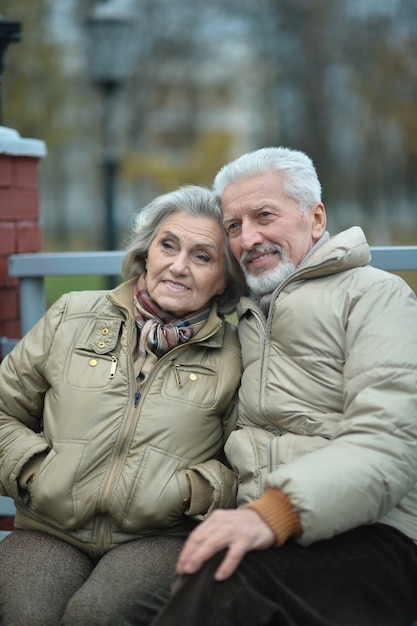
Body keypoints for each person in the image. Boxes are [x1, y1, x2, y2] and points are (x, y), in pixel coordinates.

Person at [152, 147, 417, 626]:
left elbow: (389, 444)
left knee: (223, 584)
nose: (248, 238)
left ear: (315, 218)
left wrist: (270, 513)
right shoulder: (245, 316)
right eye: (233, 226)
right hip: (263, 528)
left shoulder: (376, 295)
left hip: (375, 533)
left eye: (264, 216)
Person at [0, 184, 245, 626]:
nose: (178, 266)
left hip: (161, 538)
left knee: (98, 615)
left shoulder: (235, 353)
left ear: (225, 277)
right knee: (26, 616)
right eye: (167, 246)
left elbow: (246, 457)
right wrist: (33, 469)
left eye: (202, 256)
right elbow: (3, 409)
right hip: (51, 527)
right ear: (145, 253)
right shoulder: (72, 315)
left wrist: (193, 491)